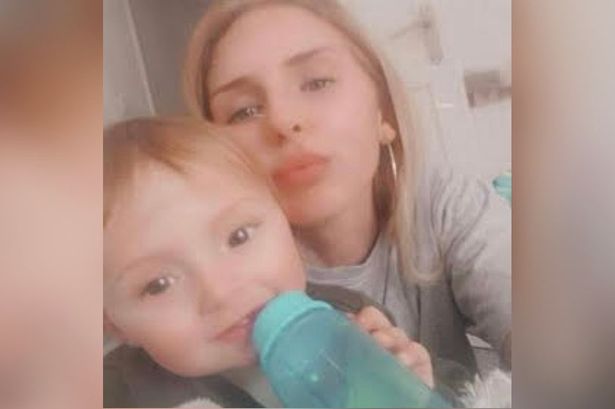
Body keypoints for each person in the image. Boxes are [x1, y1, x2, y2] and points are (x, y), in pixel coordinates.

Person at [183, 0, 512, 377]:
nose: (283, 120)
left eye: (317, 83)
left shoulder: (445, 204)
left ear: (383, 113)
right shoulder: (225, 297)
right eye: (244, 111)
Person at [103, 117, 438, 407]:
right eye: (158, 285)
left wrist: (411, 386)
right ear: (112, 324)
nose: (220, 291)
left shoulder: (351, 315)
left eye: (238, 237)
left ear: (287, 221)